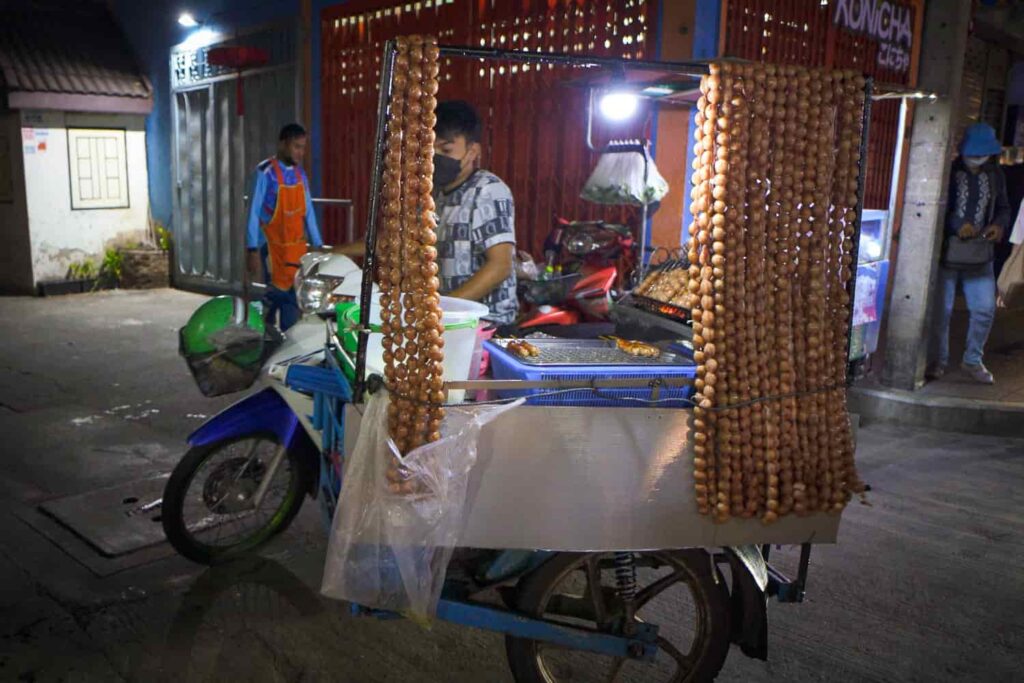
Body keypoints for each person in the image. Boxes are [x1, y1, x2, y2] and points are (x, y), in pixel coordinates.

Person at [340, 100, 517, 324]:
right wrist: (331, 253)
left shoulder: (488, 191)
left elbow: (499, 266)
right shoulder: (434, 195)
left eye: (446, 149)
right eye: (431, 150)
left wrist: (445, 309)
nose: (435, 158)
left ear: (473, 152)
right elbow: (393, 241)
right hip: (447, 320)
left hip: (487, 323)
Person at [927, 122, 1010, 385]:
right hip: (948, 254)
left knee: (985, 309)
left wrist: (998, 226)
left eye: (981, 155)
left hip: (980, 255)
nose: (976, 159)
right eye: (972, 155)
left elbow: (1005, 208)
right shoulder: (949, 173)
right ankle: (937, 361)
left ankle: (972, 360)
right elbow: (937, 207)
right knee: (942, 311)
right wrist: (956, 223)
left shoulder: (996, 176)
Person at [246, 123, 323, 331]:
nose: (300, 152)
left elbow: (308, 211)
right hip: (270, 248)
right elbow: (253, 212)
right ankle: (262, 332)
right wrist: (252, 249)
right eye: (296, 147)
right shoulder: (265, 173)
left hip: (295, 251)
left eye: (303, 147)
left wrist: (318, 244)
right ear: (282, 144)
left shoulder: (300, 175)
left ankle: (284, 341)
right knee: (279, 295)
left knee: (291, 300)